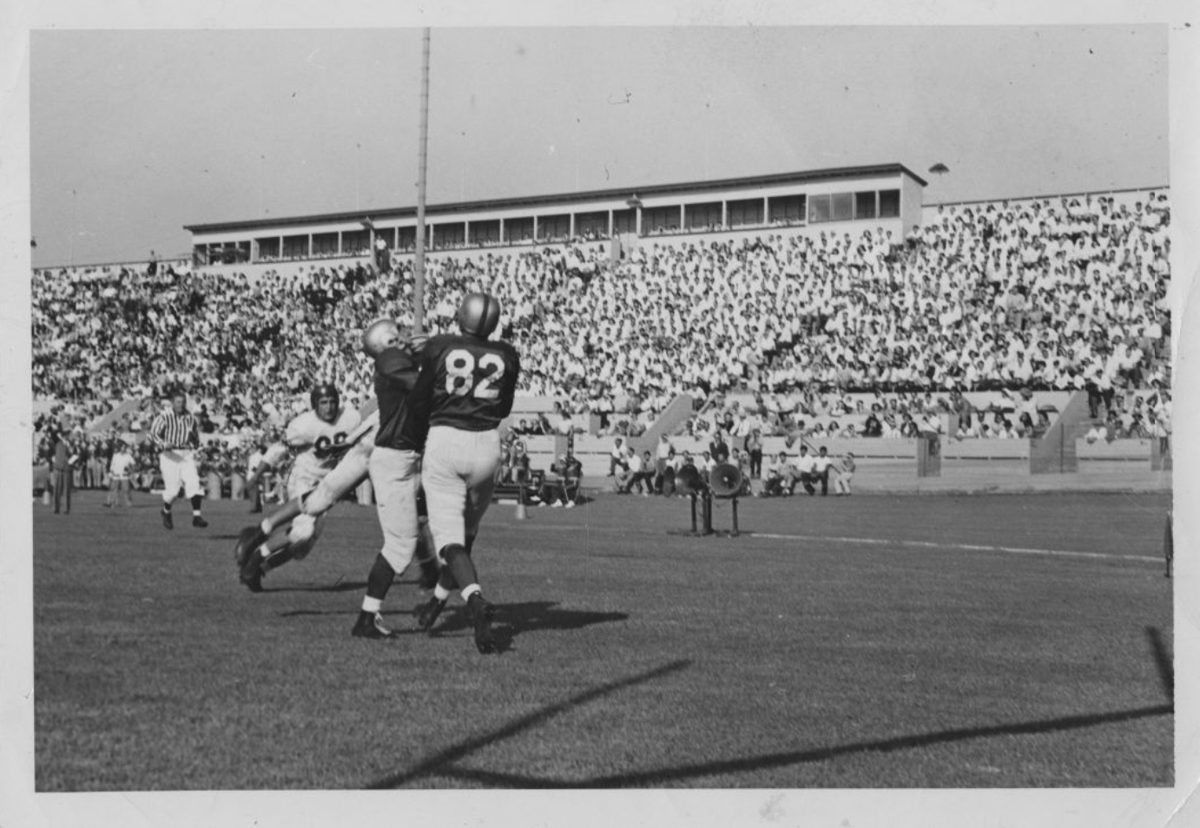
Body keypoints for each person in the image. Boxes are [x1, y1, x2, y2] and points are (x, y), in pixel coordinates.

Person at [411, 292, 520, 655]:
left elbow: (421, 397)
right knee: (466, 535)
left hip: (446, 439)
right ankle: (437, 603)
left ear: (462, 316)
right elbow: (503, 407)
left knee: (450, 541)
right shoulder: (507, 353)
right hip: (488, 445)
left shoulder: (439, 345)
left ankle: (475, 602)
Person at [234, 382, 361, 592]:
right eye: (323, 403)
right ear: (314, 405)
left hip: (328, 485)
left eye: (332, 402)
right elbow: (279, 449)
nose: (329, 407)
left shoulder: (350, 418)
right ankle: (256, 555)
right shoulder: (303, 425)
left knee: (301, 548)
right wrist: (256, 476)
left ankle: (258, 569)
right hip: (304, 478)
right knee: (303, 531)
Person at [351, 318, 434, 639]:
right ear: (386, 342)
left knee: (428, 521)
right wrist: (431, 357)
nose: (404, 338)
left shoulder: (392, 359)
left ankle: (438, 581)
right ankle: (367, 618)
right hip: (395, 460)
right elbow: (424, 386)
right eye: (396, 336)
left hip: (407, 458)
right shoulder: (389, 360)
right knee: (399, 547)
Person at [149, 389, 208, 529]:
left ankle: (197, 516)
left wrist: (199, 450)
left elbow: (195, 437)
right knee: (173, 492)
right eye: (178, 402)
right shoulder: (164, 416)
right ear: (172, 403)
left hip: (186, 454)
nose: (181, 405)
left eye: (183, 402)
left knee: (194, 483)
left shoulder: (190, 418)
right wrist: (164, 444)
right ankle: (166, 510)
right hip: (170, 455)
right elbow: (153, 434)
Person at [50, 428, 78, 515]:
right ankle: (56, 508)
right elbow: (53, 434)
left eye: (67, 434)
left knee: (66, 491)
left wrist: (73, 462)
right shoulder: (58, 442)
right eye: (65, 434)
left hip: (67, 469)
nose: (67, 436)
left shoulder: (72, 445)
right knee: (57, 490)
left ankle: (66, 509)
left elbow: (76, 455)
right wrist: (58, 428)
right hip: (58, 468)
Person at [104, 439, 136, 508]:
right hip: (116, 475)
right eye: (122, 447)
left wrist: (129, 469)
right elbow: (112, 465)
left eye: (124, 447)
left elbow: (133, 464)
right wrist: (111, 473)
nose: (123, 449)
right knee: (113, 489)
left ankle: (129, 504)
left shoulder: (128, 456)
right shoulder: (115, 456)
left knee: (126, 490)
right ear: (120, 448)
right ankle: (111, 502)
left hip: (124, 475)